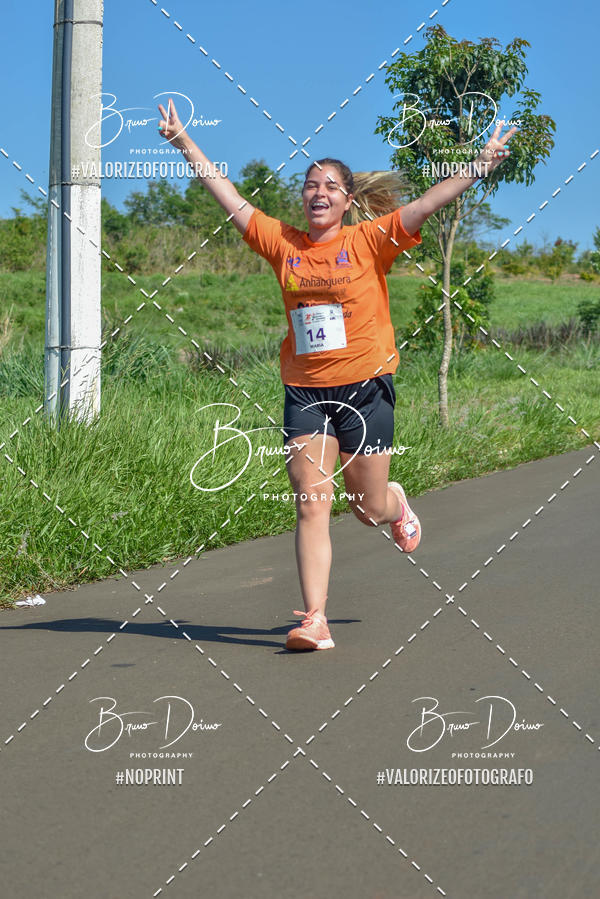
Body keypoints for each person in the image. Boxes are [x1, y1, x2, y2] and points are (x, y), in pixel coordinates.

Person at [157, 99, 516, 652]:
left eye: (329, 186)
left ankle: (394, 503)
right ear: (302, 198)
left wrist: (480, 164)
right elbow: (227, 196)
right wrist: (184, 142)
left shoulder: (370, 240)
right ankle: (315, 620)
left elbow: (428, 202)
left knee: (366, 509)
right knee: (310, 501)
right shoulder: (282, 243)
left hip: (365, 387)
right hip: (305, 390)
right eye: (309, 186)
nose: (318, 193)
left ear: (348, 200)